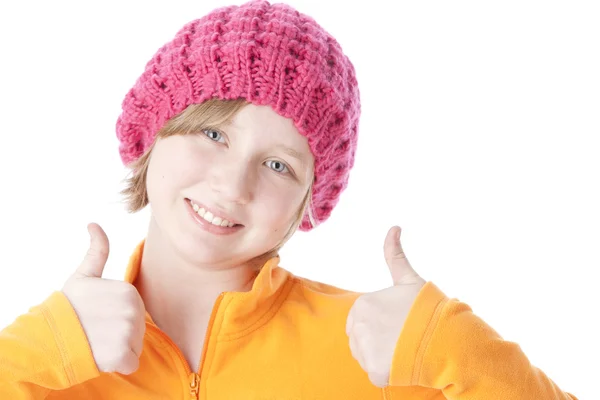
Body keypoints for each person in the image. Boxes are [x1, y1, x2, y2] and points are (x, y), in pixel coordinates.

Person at [0, 0, 579, 399]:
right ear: (152, 126)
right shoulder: (53, 357)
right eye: (213, 133)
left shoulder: (380, 353)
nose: (233, 184)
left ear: (310, 200)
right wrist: (29, 355)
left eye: (278, 165)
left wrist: (461, 352)